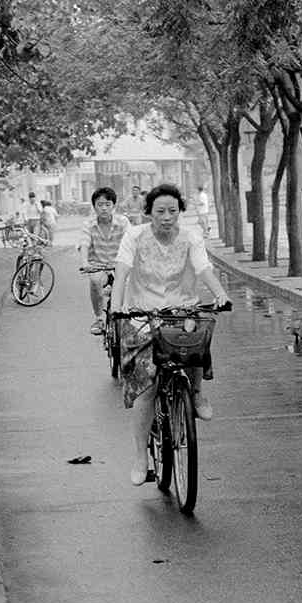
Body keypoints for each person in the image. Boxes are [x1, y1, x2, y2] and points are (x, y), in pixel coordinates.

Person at [110, 183, 230, 486]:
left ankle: (197, 391)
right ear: (149, 212)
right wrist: (116, 308)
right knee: (147, 388)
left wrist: (220, 294)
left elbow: (203, 268)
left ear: (180, 212)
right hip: (140, 314)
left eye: (172, 211)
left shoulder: (191, 237)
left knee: (199, 333)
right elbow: (122, 271)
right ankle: (140, 457)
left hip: (180, 310)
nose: (166, 217)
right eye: (160, 211)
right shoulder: (134, 236)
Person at [77, 186, 130, 335]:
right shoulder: (88, 224)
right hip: (97, 265)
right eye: (100, 204)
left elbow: (131, 243)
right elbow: (84, 245)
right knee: (94, 281)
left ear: (114, 205)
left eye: (108, 204)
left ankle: (127, 319)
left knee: (129, 289)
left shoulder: (123, 222)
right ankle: (99, 318)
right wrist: (84, 263)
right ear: (94, 207)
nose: (104, 208)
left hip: (119, 264)